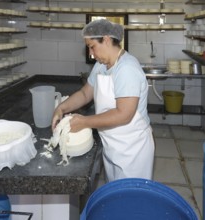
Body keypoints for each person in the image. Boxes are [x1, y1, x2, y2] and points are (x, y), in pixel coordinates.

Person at [52, 19, 155, 182]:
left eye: (92, 47)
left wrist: (85, 122)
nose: (91, 53)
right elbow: (85, 94)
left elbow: (124, 115)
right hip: (112, 144)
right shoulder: (101, 65)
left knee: (131, 199)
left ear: (106, 40)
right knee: (114, 194)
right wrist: (61, 108)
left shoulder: (127, 69)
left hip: (132, 149)